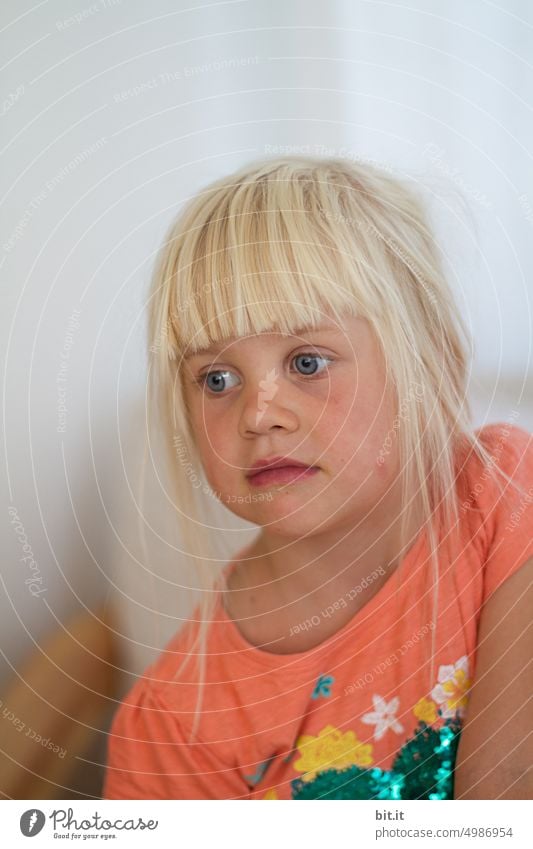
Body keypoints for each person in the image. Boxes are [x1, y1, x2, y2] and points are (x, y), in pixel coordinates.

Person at [103, 156, 533, 800]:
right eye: (217, 379)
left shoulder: (503, 496)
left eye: (307, 361)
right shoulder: (172, 725)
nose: (259, 413)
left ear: (435, 364)